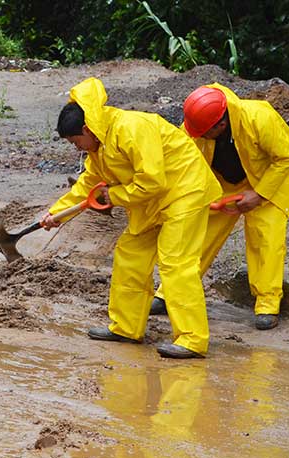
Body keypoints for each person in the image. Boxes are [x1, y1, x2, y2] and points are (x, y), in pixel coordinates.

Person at [42, 77, 222, 359]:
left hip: (185, 190)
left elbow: (153, 180)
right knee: (130, 254)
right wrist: (56, 214)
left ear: (87, 129)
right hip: (152, 201)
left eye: (76, 141)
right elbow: (88, 184)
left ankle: (192, 339)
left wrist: (116, 196)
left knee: (175, 261)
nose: (76, 147)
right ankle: (126, 327)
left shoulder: (131, 128)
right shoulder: (98, 147)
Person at [150, 84, 289, 330]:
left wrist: (258, 195)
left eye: (204, 133)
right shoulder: (197, 128)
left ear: (220, 125)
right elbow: (180, 161)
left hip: (272, 178)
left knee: (265, 236)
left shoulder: (259, 117)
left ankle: (267, 303)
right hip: (224, 181)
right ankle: (169, 291)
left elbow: (286, 157)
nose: (198, 137)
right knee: (198, 232)